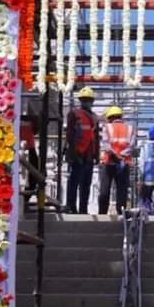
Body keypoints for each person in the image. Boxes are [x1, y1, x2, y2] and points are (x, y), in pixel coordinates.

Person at [64, 86, 100, 214]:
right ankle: (71, 206)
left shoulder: (95, 118)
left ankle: (83, 208)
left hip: (89, 154)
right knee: (74, 181)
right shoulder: (74, 114)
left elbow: (96, 138)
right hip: (77, 153)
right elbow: (69, 134)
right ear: (81, 100)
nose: (86, 102)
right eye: (84, 100)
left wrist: (97, 155)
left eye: (88, 100)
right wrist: (71, 152)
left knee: (86, 183)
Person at [97, 104, 134, 216]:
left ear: (110, 117)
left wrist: (115, 155)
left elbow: (106, 144)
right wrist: (121, 156)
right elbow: (131, 146)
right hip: (123, 164)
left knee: (104, 190)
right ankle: (121, 214)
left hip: (109, 162)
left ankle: (102, 214)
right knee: (122, 191)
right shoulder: (130, 128)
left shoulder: (107, 127)